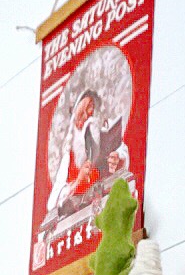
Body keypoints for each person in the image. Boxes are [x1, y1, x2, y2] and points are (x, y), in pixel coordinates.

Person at [46, 86, 128, 221]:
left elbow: (122, 150)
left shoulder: (100, 136)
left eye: (90, 108)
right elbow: (52, 203)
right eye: (82, 110)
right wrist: (78, 181)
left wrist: (119, 159)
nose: (86, 114)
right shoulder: (68, 158)